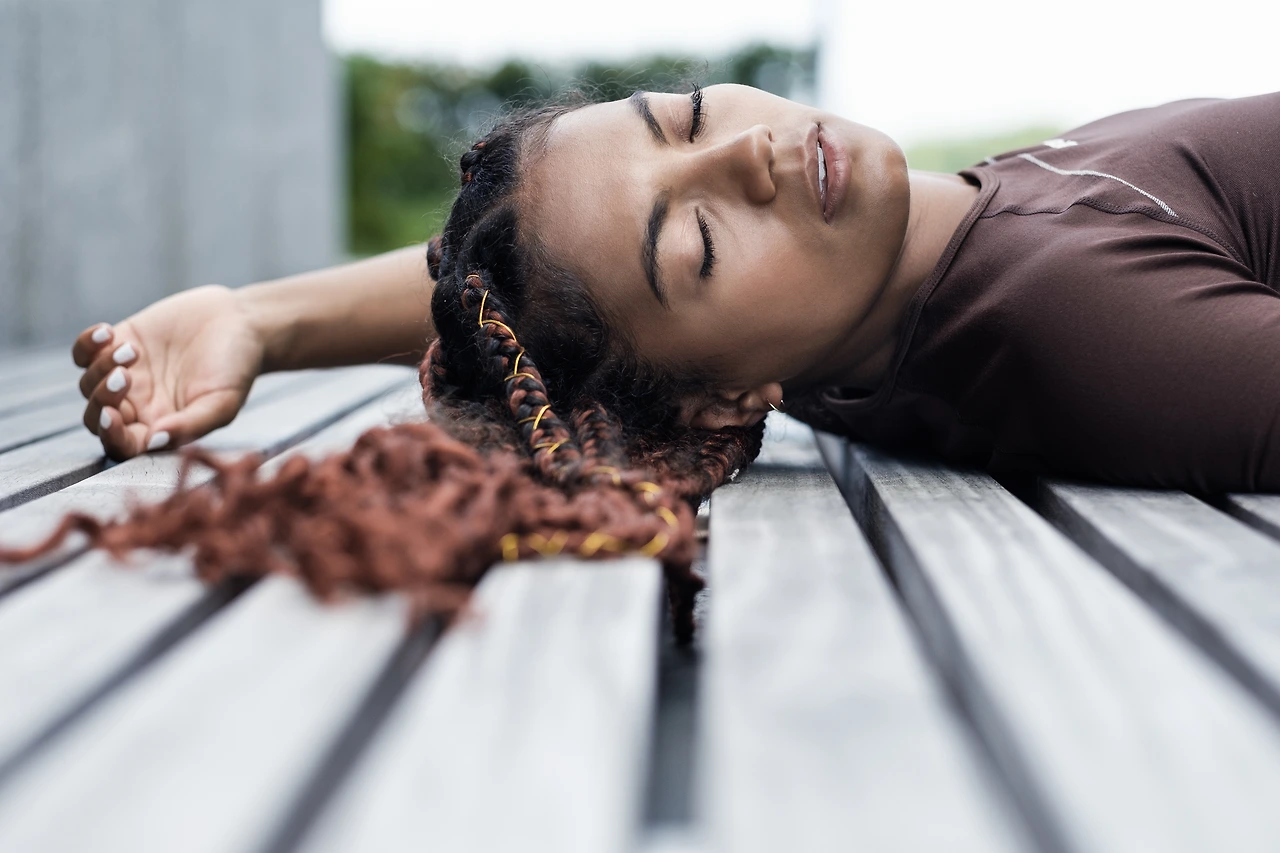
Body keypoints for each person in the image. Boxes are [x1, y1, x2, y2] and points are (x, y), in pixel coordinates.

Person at [12, 84, 1280, 622]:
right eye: (702, 244)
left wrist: (263, 317)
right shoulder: (1085, 337)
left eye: (675, 117)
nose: (743, 153)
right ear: (728, 392)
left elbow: (514, 293)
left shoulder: (818, 309)